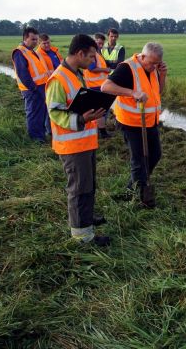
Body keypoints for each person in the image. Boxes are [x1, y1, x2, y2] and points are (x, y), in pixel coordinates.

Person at [45, 34, 109, 246]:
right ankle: (83, 236)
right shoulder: (58, 79)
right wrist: (83, 118)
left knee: (89, 185)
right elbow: (55, 113)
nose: (93, 61)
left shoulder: (75, 74)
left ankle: (87, 219)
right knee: (79, 189)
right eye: (91, 56)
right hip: (72, 146)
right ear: (80, 53)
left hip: (85, 143)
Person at [101, 42, 167, 207]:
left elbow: (156, 92)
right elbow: (105, 86)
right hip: (130, 122)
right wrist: (132, 92)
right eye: (151, 63)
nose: (153, 67)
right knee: (139, 159)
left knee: (155, 154)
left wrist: (162, 75)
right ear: (143, 56)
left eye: (157, 64)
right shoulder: (127, 68)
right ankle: (138, 197)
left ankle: (135, 186)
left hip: (149, 120)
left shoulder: (153, 69)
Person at [12, 26, 49, 143]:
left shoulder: (31, 51)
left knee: (41, 112)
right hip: (32, 89)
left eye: (36, 39)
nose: (36, 42)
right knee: (33, 113)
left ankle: (41, 135)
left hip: (41, 86)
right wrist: (33, 88)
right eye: (33, 39)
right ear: (25, 38)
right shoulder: (19, 52)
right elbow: (23, 73)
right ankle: (36, 139)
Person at [84, 33, 112, 138]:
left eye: (101, 43)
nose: (100, 45)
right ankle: (102, 133)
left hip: (99, 85)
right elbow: (92, 68)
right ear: (93, 41)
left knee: (100, 110)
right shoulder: (93, 54)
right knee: (100, 110)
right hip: (95, 86)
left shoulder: (97, 53)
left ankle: (99, 131)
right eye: (98, 43)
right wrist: (106, 70)